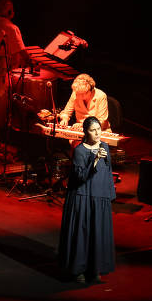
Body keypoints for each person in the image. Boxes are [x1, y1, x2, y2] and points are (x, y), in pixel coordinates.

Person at [58, 116, 116, 283]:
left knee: (97, 232)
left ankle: (95, 268)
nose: (97, 133)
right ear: (85, 132)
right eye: (93, 130)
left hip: (99, 198)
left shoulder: (105, 146)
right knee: (82, 233)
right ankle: (78, 270)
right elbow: (80, 176)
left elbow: (108, 171)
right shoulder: (80, 151)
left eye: (99, 129)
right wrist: (95, 160)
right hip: (82, 197)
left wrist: (110, 196)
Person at [0, 0, 32, 69]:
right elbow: (21, 50)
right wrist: (31, 62)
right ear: (10, 12)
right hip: (5, 70)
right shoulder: (12, 28)